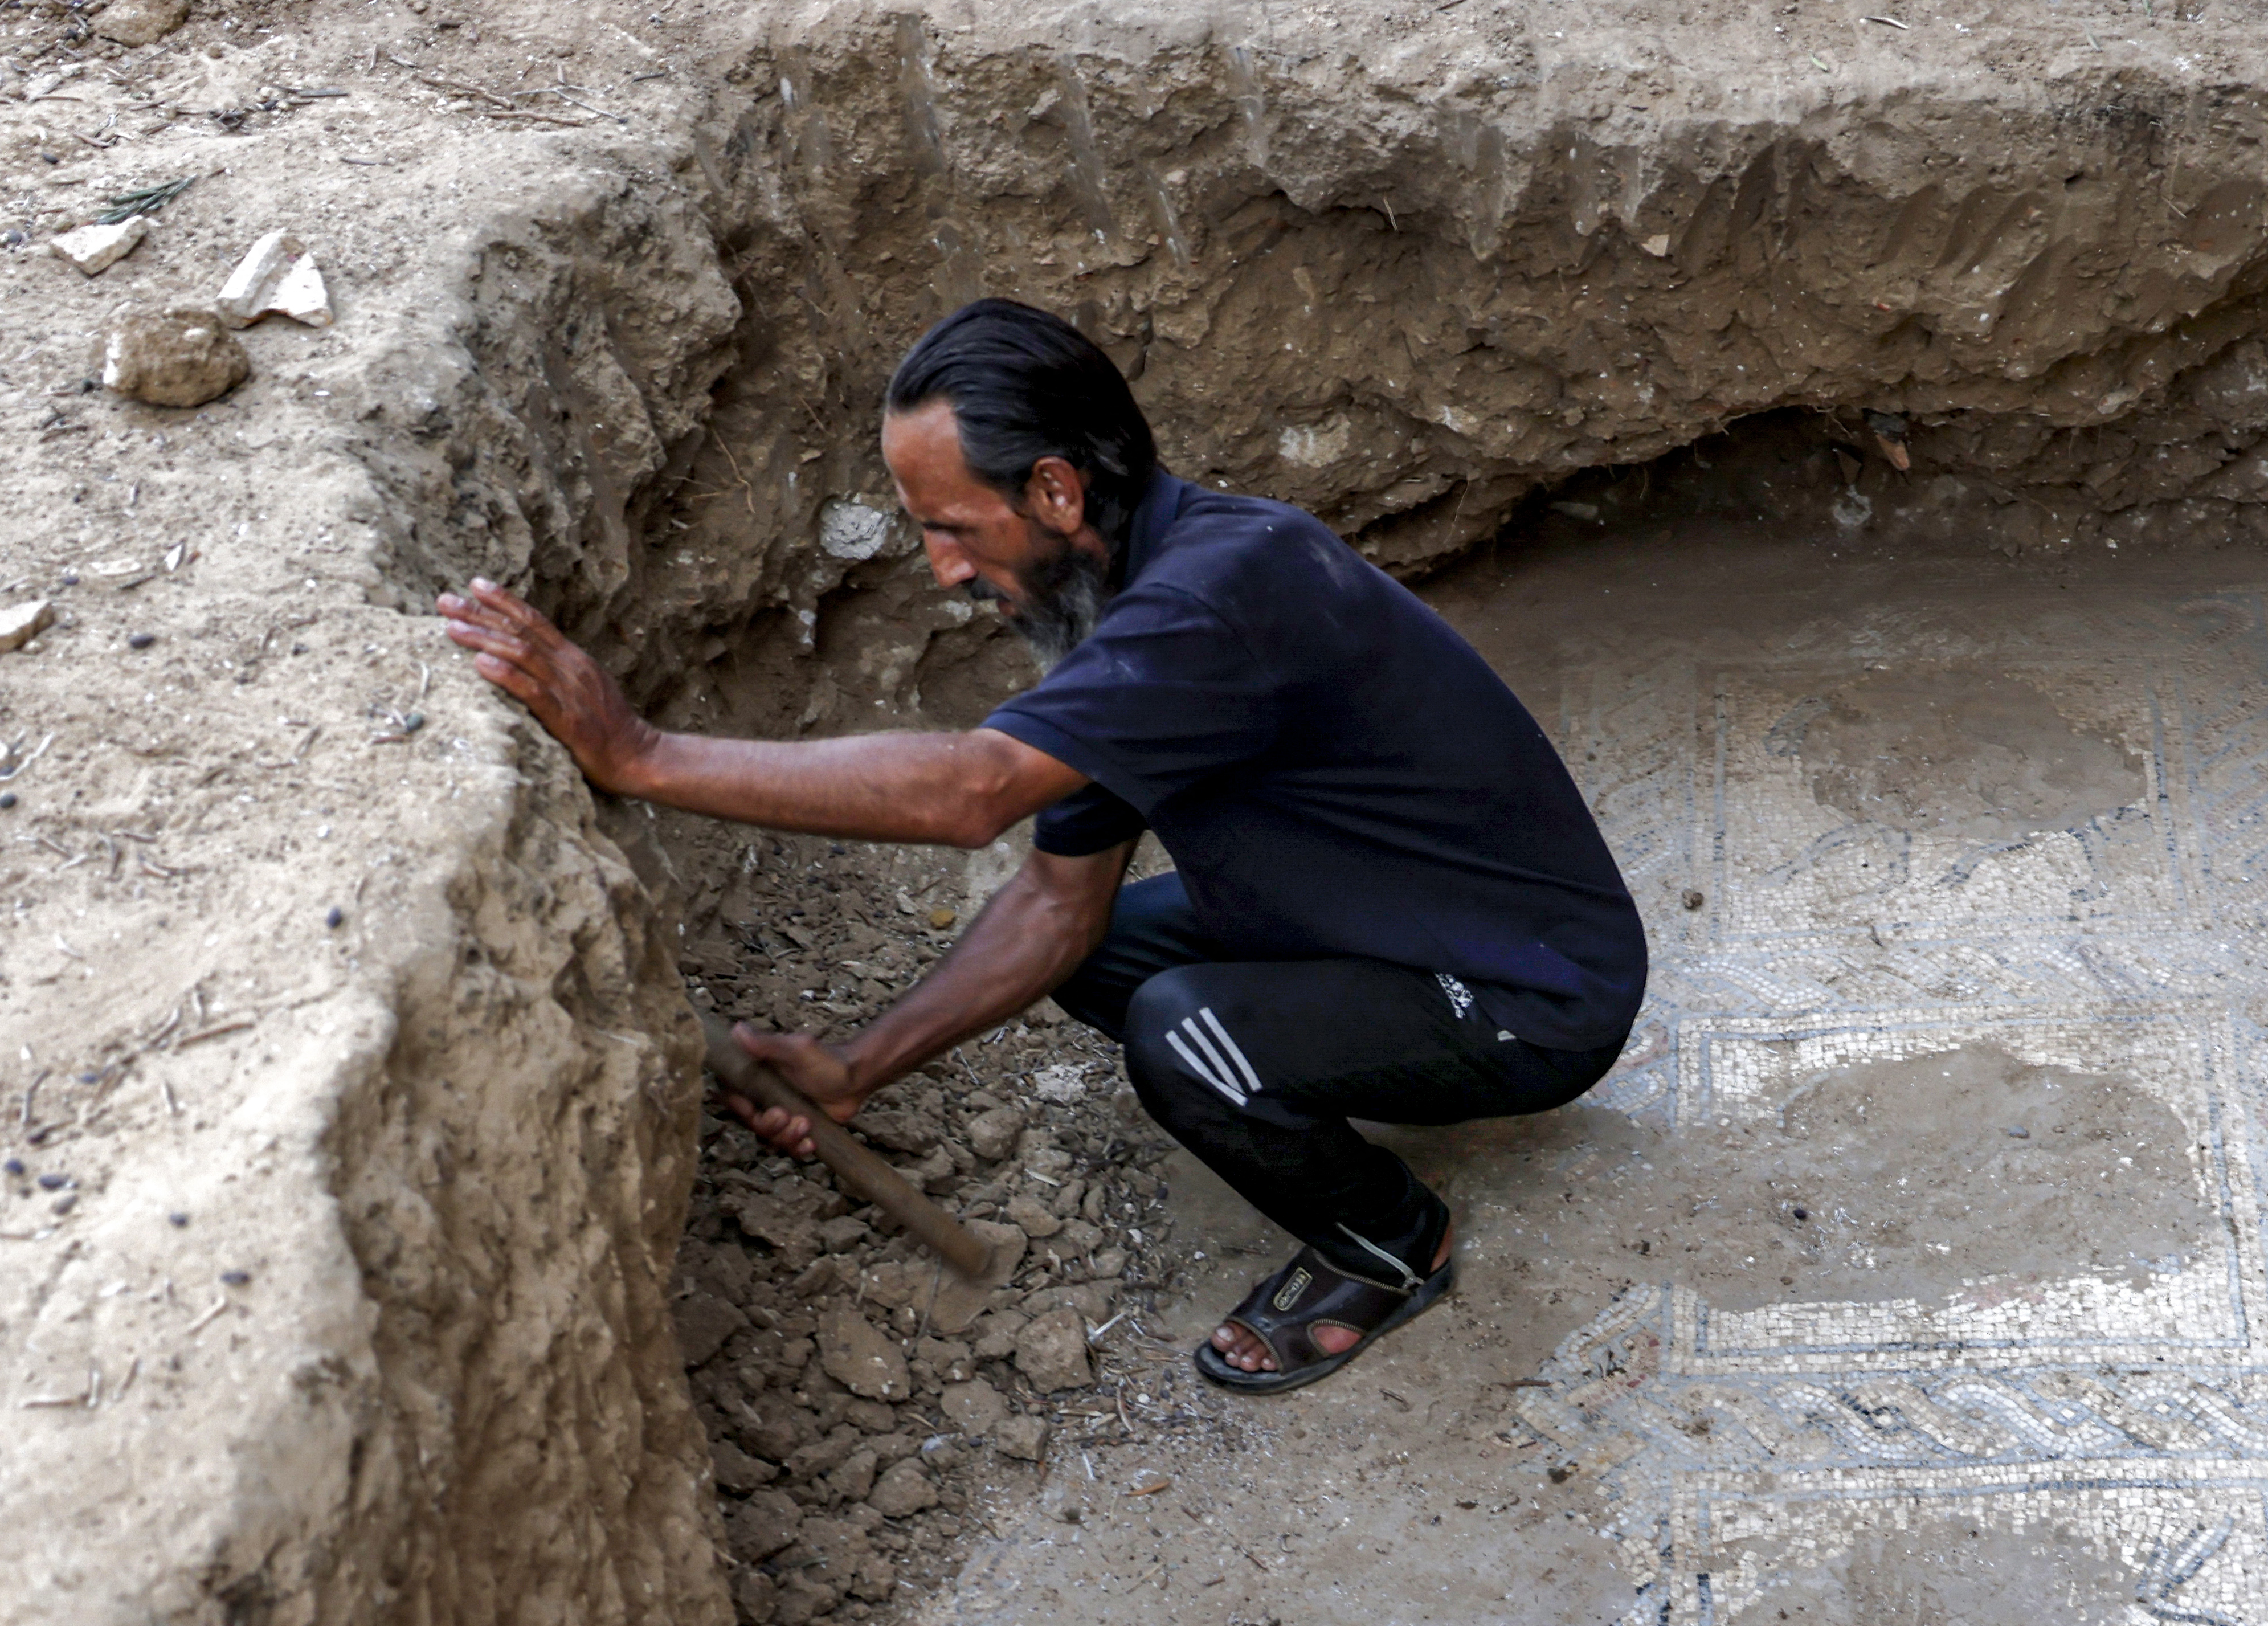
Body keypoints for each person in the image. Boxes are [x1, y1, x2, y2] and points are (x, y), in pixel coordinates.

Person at [435, 297, 1646, 1392]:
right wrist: (860, 1065)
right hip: (1372, 919)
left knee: (1184, 1034)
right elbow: (1059, 903)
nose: (943, 568)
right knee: (1107, 952)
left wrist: (642, 754)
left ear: (1058, 493)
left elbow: (973, 792)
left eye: (953, 527)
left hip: (1525, 989)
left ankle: (1388, 1240)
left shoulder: (1220, 599)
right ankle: (1326, 1074)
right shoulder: (1127, 605)